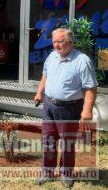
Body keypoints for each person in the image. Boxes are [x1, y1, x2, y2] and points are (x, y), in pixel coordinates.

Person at [34, 28, 97, 188]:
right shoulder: (52, 56)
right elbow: (45, 76)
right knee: (48, 140)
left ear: (70, 42)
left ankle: (66, 174)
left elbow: (90, 88)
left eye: (60, 42)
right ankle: (47, 172)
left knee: (67, 142)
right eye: (54, 42)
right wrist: (39, 93)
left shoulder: (82, 60)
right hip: (49, 105)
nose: (56, 45)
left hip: (69, 108)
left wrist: (87, 110)